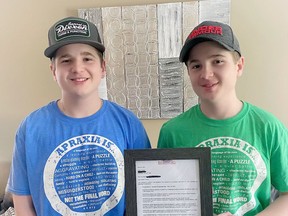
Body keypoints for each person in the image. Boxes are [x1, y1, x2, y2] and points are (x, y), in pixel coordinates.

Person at [7, 17, 151, 215]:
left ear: (102, 67)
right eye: (66, 60)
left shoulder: (128, 123)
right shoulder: (30, 128)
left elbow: (144, 195)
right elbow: (23, 203)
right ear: (53, 71)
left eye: (87, 58)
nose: (77, 68)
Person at [157, 21, 288, 216]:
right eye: (196, 65)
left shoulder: (268, 127)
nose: (206, 74)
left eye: (217, 61)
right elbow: (163, 197)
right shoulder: (172, 132)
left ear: (239, 65)